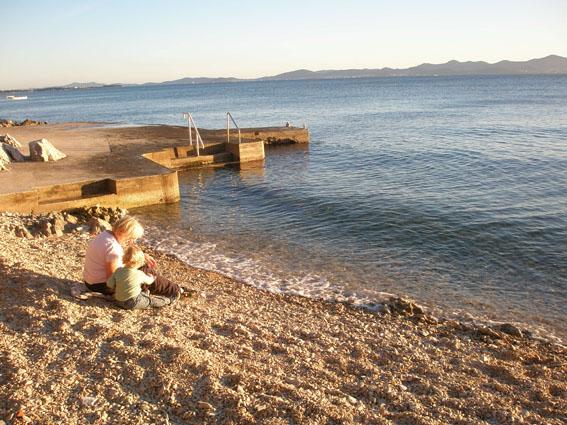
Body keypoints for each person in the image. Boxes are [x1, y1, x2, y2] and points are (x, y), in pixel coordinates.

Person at [82, 215, 181, 297]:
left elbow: (114, 256)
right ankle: (175, 290)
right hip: (101, 286)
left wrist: (141, 255)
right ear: (121, 232)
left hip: (91, 282)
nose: (132, 242)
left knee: (141, 266)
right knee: (143, 272)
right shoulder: (113, 249)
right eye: (131, 238)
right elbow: (112, 279)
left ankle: (173, 288)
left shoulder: (106, 235)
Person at [107, 245, 177, 309]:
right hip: (133, 302)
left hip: (118, 301)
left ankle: (144, 295)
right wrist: (152, 277)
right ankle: (168, 300)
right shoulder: (139, 274)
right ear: (140, 262)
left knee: (138, 292)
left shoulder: (118, 270)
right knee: (151, 302)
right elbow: (149, 281)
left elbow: (109, 284)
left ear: (124, 259)